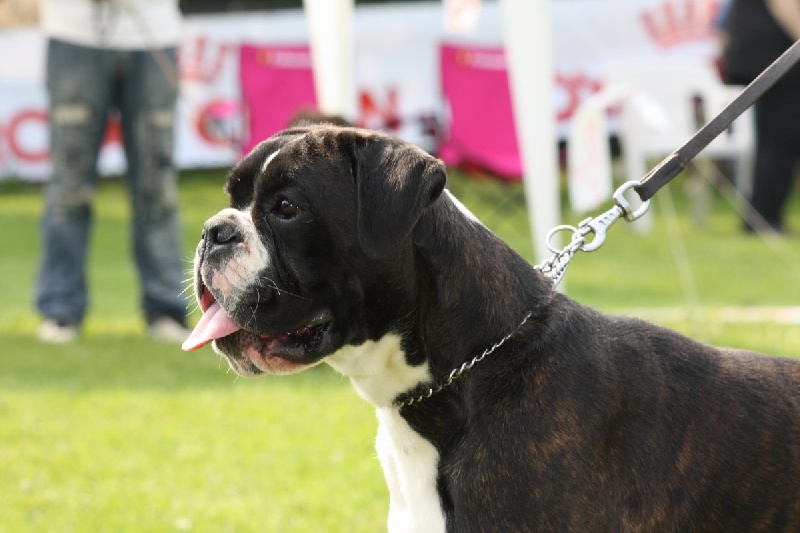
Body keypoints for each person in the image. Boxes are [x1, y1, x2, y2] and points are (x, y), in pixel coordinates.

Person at [35, 0, 189, 343]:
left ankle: (166, 308)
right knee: (69, 187)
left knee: (157, 186)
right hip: (73, 32)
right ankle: (61, 310)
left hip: (152, 31)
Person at [721, 0, 800, 234]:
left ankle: (762, 216)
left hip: (753, 52)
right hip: (774, 58)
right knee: (781, 139)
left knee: (773, 138)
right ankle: (763, 218)